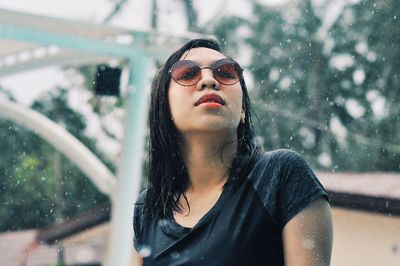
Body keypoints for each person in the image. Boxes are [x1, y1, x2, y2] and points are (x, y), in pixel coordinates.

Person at [133, 38, 333, 266]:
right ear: (164, 106)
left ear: (243, 110)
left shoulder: (281, 175)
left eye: (226, 72)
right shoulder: (147, 209)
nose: (209, 80)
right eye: (187, 73)